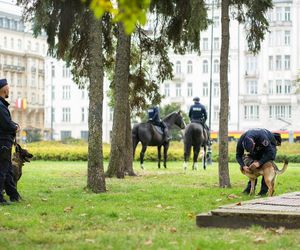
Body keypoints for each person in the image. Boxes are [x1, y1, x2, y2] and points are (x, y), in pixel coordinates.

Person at [236, 128, 282, 196]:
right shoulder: (241, 140)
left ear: (254, 143)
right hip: (258, 146)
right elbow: (238, 155)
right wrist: (243, 166)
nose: (251, 152)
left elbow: (270, 154)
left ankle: (263, 192)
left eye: (252, 149)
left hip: (269, 146)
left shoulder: (263, 138)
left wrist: (259, 163)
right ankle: (249, 190)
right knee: (253, 167)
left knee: (266, 165)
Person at [0, 78, 21, 205]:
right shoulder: (1, 106)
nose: (9, 90)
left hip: (4, 142)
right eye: (8, 88)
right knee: (2, 171)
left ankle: (14, 195)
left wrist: (15, 125)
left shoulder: (2, 105)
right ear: (4, 90)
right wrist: (15, 127)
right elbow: (6, 124)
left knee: (7, 170)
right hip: (2, 142)